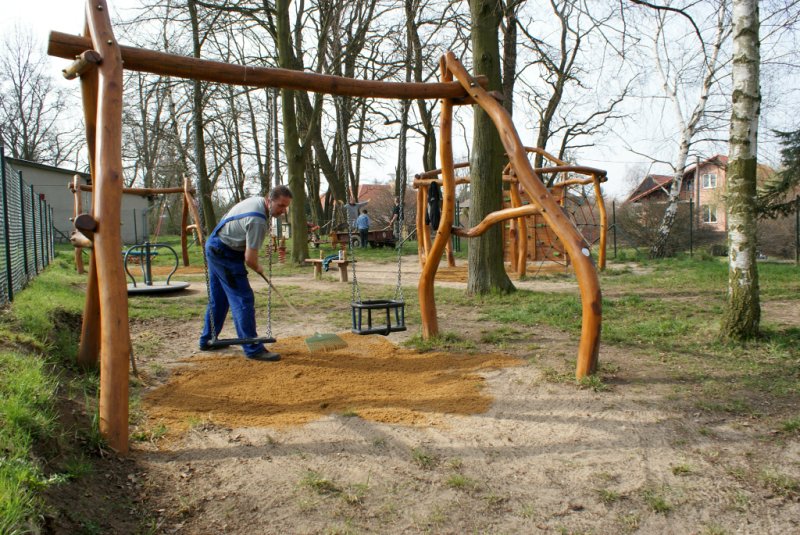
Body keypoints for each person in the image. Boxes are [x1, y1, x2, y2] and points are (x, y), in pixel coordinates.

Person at [199, 185, 293, 361]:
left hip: (215, 244)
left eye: (286, 206)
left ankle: (208, 340)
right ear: (269, 200)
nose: (283, 210)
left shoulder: (257, 202)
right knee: (243, 299)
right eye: (280, 205)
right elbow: (250, 259)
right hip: (225, 252)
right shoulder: (257, 219)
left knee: (219, 298)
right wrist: (259, 268)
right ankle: (253, 348)